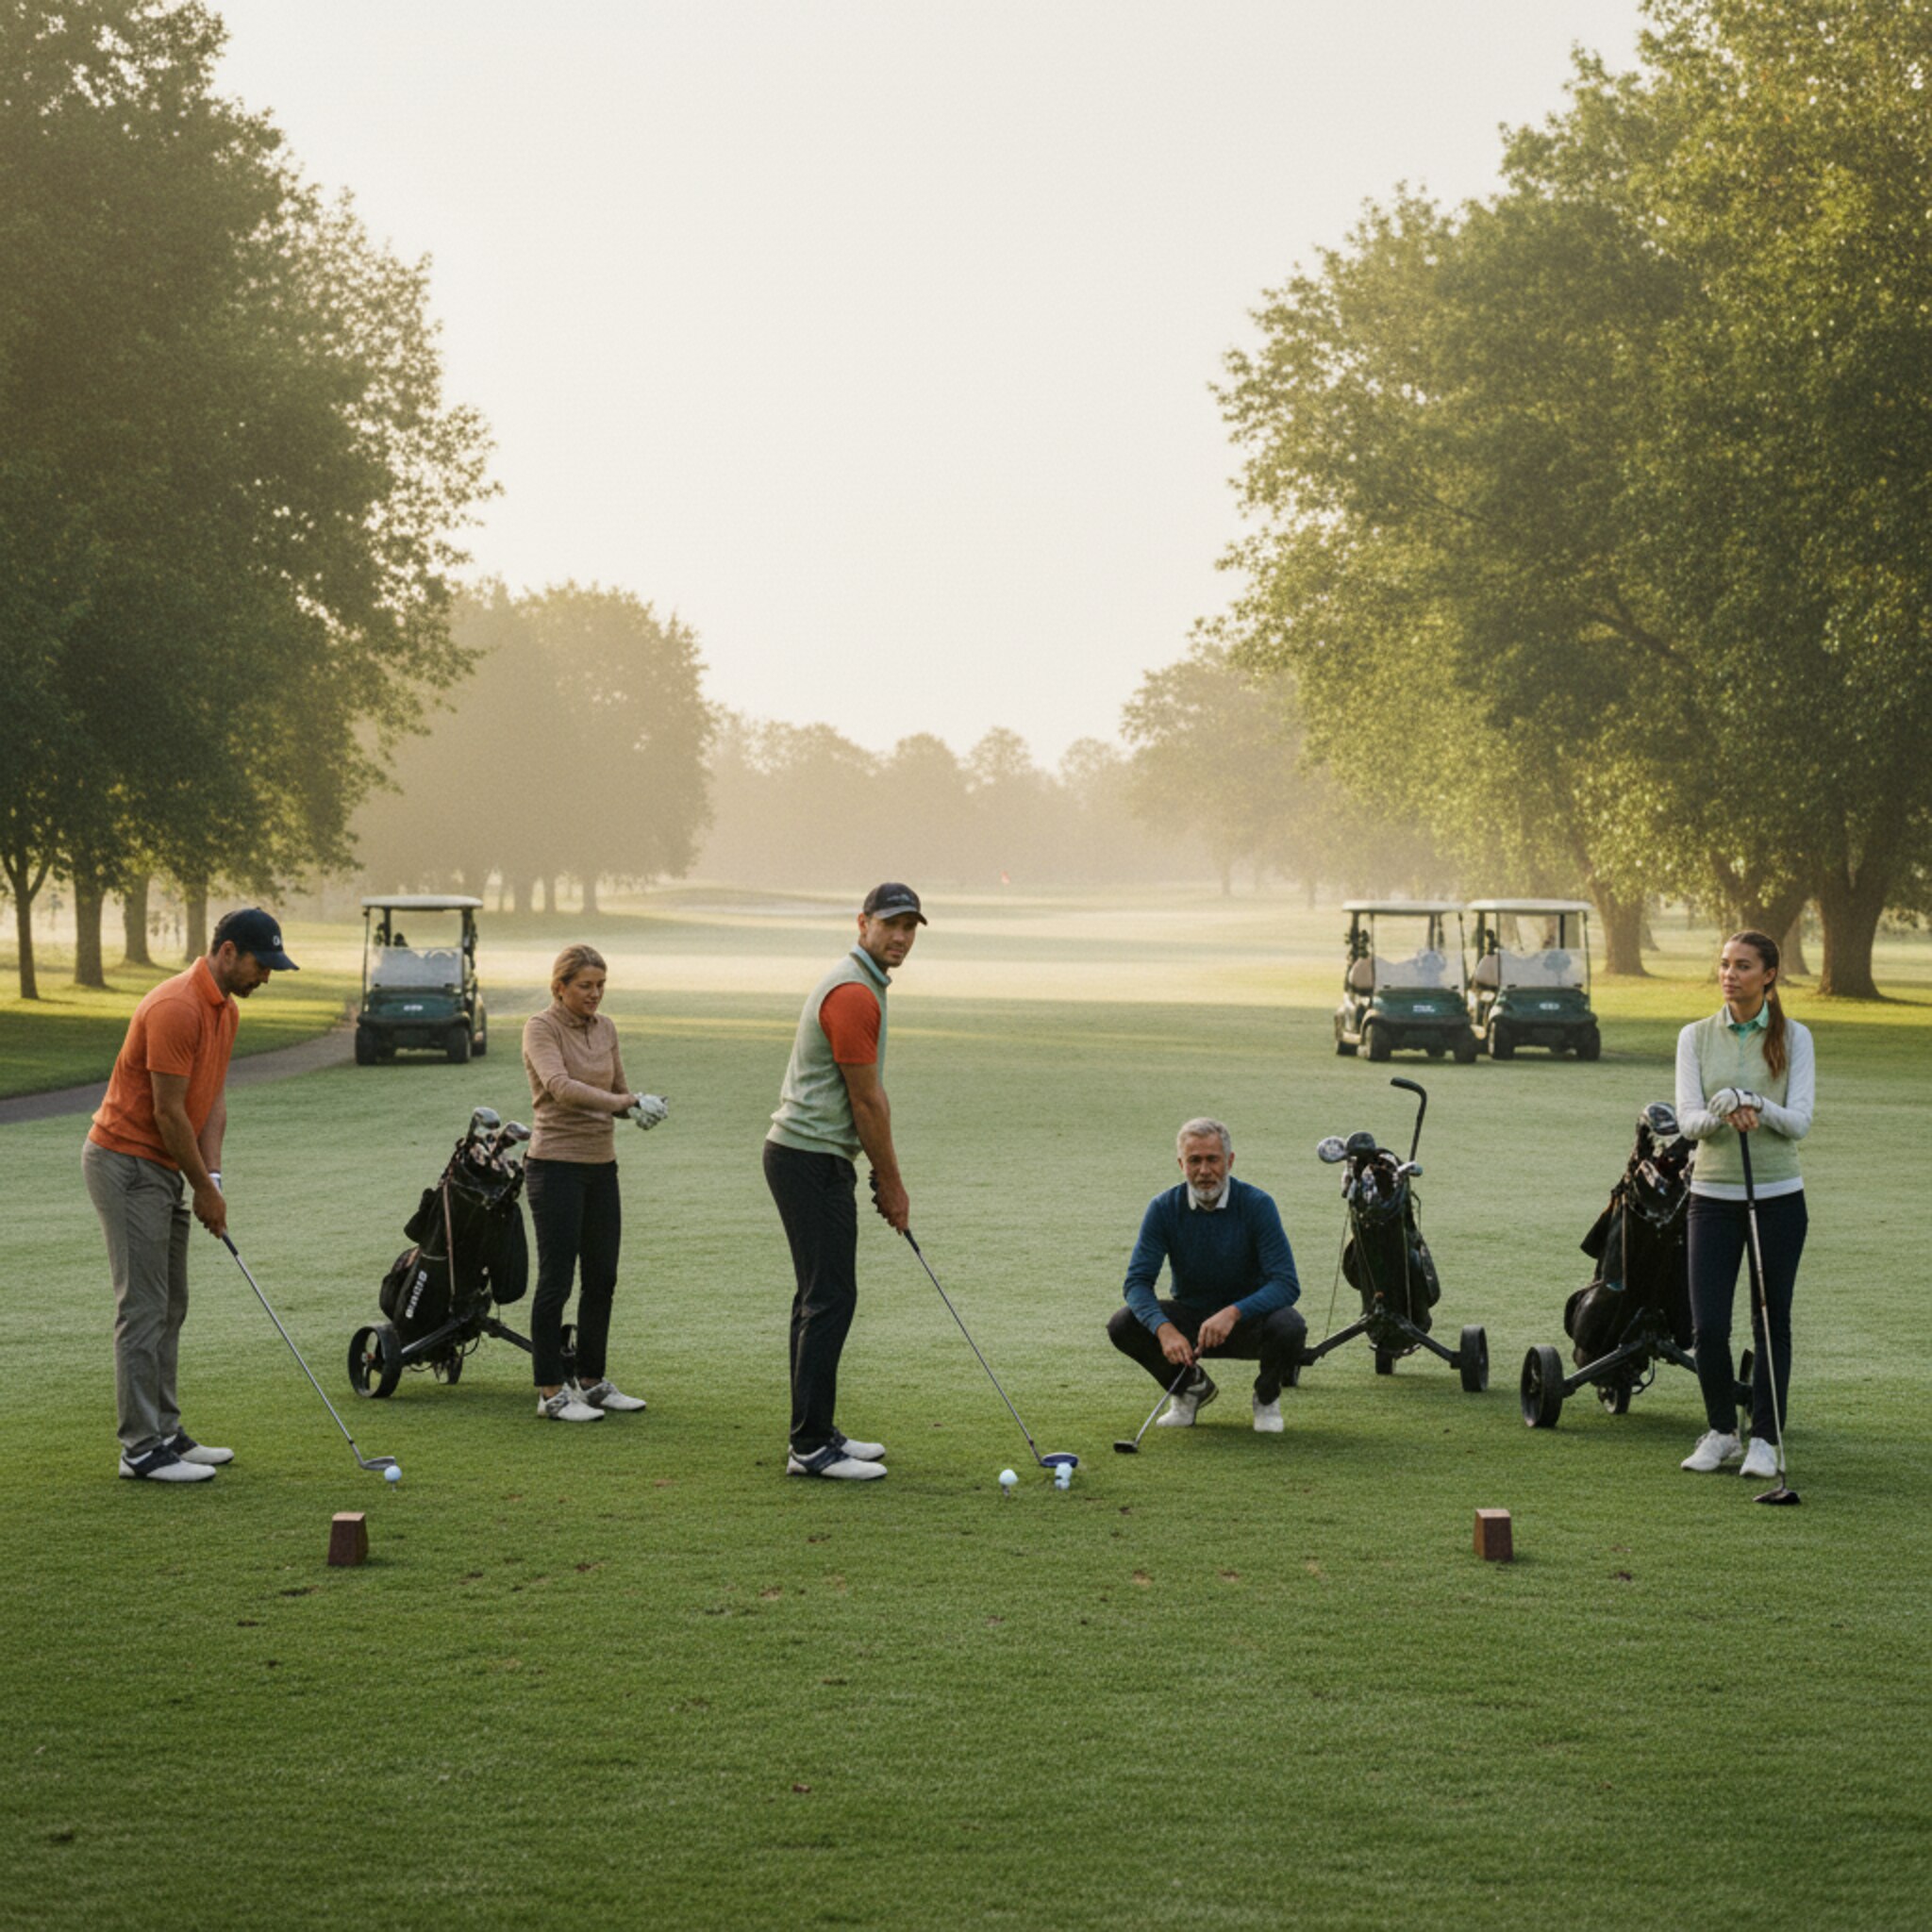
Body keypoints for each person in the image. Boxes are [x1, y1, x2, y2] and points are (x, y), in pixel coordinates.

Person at [83, 907, 299, 1482]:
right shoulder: (177, 1007)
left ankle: (167, 1434)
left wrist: (215, 1179)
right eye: (261, 964)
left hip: (164, 1167)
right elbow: (167, 1112)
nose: (266, 977)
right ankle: (140, 1448)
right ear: (228, 951)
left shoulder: (225, 1011)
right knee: (143, 1308)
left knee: (172, 1303)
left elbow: (211, 1101)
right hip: (126, 1163)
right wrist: (202, 1188)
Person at [762, 883, 926, 1480]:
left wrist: (880, 1177)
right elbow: (867, 1101)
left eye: (911, 927)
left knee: (818, 1297)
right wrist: (893, 1184)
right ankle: (809, 1447)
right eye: (891, 925)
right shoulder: (855, 993)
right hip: (809, 1158)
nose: (902, 938)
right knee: (829, 1297)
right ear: (863, 924)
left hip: (809, 1156)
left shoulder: (862, 982)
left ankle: (816, 1429)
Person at [1674, 929, 1815, 1481]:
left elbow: (1798, 1122)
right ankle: (1720, 1432)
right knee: (1707, 1325)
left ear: (1769, 975)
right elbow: (1689, 1121)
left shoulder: (1795, 1037)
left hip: (1778, 1199)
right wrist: (1724, 1112)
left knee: (1769, 1321)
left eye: (1743, 966)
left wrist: (1755, 1101)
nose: (1730, 974)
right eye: (1725, 964)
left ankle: (1764, 1440)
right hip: (1712, 1198)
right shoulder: (1695, 1036)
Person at [521, 944, 666, 1424]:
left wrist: (639, 1106)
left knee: (602, 1276)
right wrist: (626, 1103)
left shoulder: (606, 1029)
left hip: (602, 1167)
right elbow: (560, 1087)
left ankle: (591, 1381)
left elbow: (617, 1088)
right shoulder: (540, 1028)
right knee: (557, 1281)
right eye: (585, 986)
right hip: (555, 1166)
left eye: (601, 985)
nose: (595, 994)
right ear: (559, 987)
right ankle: (551, 1392)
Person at [1107, 1118, 1306, 1433]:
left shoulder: (1258, 1204)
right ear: (1181, 1164)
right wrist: (1164, 1329)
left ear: (1229, 1161)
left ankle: (1266, 1398)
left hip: (1247, 1322)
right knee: (1123, 1323)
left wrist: (1234, 1312)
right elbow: (1136, 1282)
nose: (1204, 1170)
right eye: (1194, 1160)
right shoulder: (1162, 1208)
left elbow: (1286, 1283)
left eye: (1212, 1159)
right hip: (1191, 1322)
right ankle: (1189, 1390)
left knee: (1290, 1325)